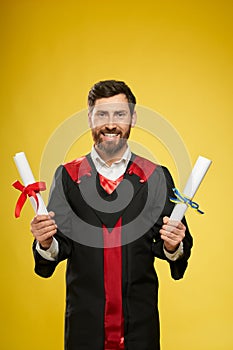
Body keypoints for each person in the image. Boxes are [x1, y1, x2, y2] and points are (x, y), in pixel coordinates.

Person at [31, 80, 193, 350]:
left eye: (120, 114)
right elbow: (61, 246)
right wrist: (46, 242)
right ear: (90, 118)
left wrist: (173, 244)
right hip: (86, 325)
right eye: (102, 114)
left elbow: (175, 248)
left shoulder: (155, 176)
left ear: (133, 117)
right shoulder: (69, 176)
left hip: (139, 326)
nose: (110, 123)